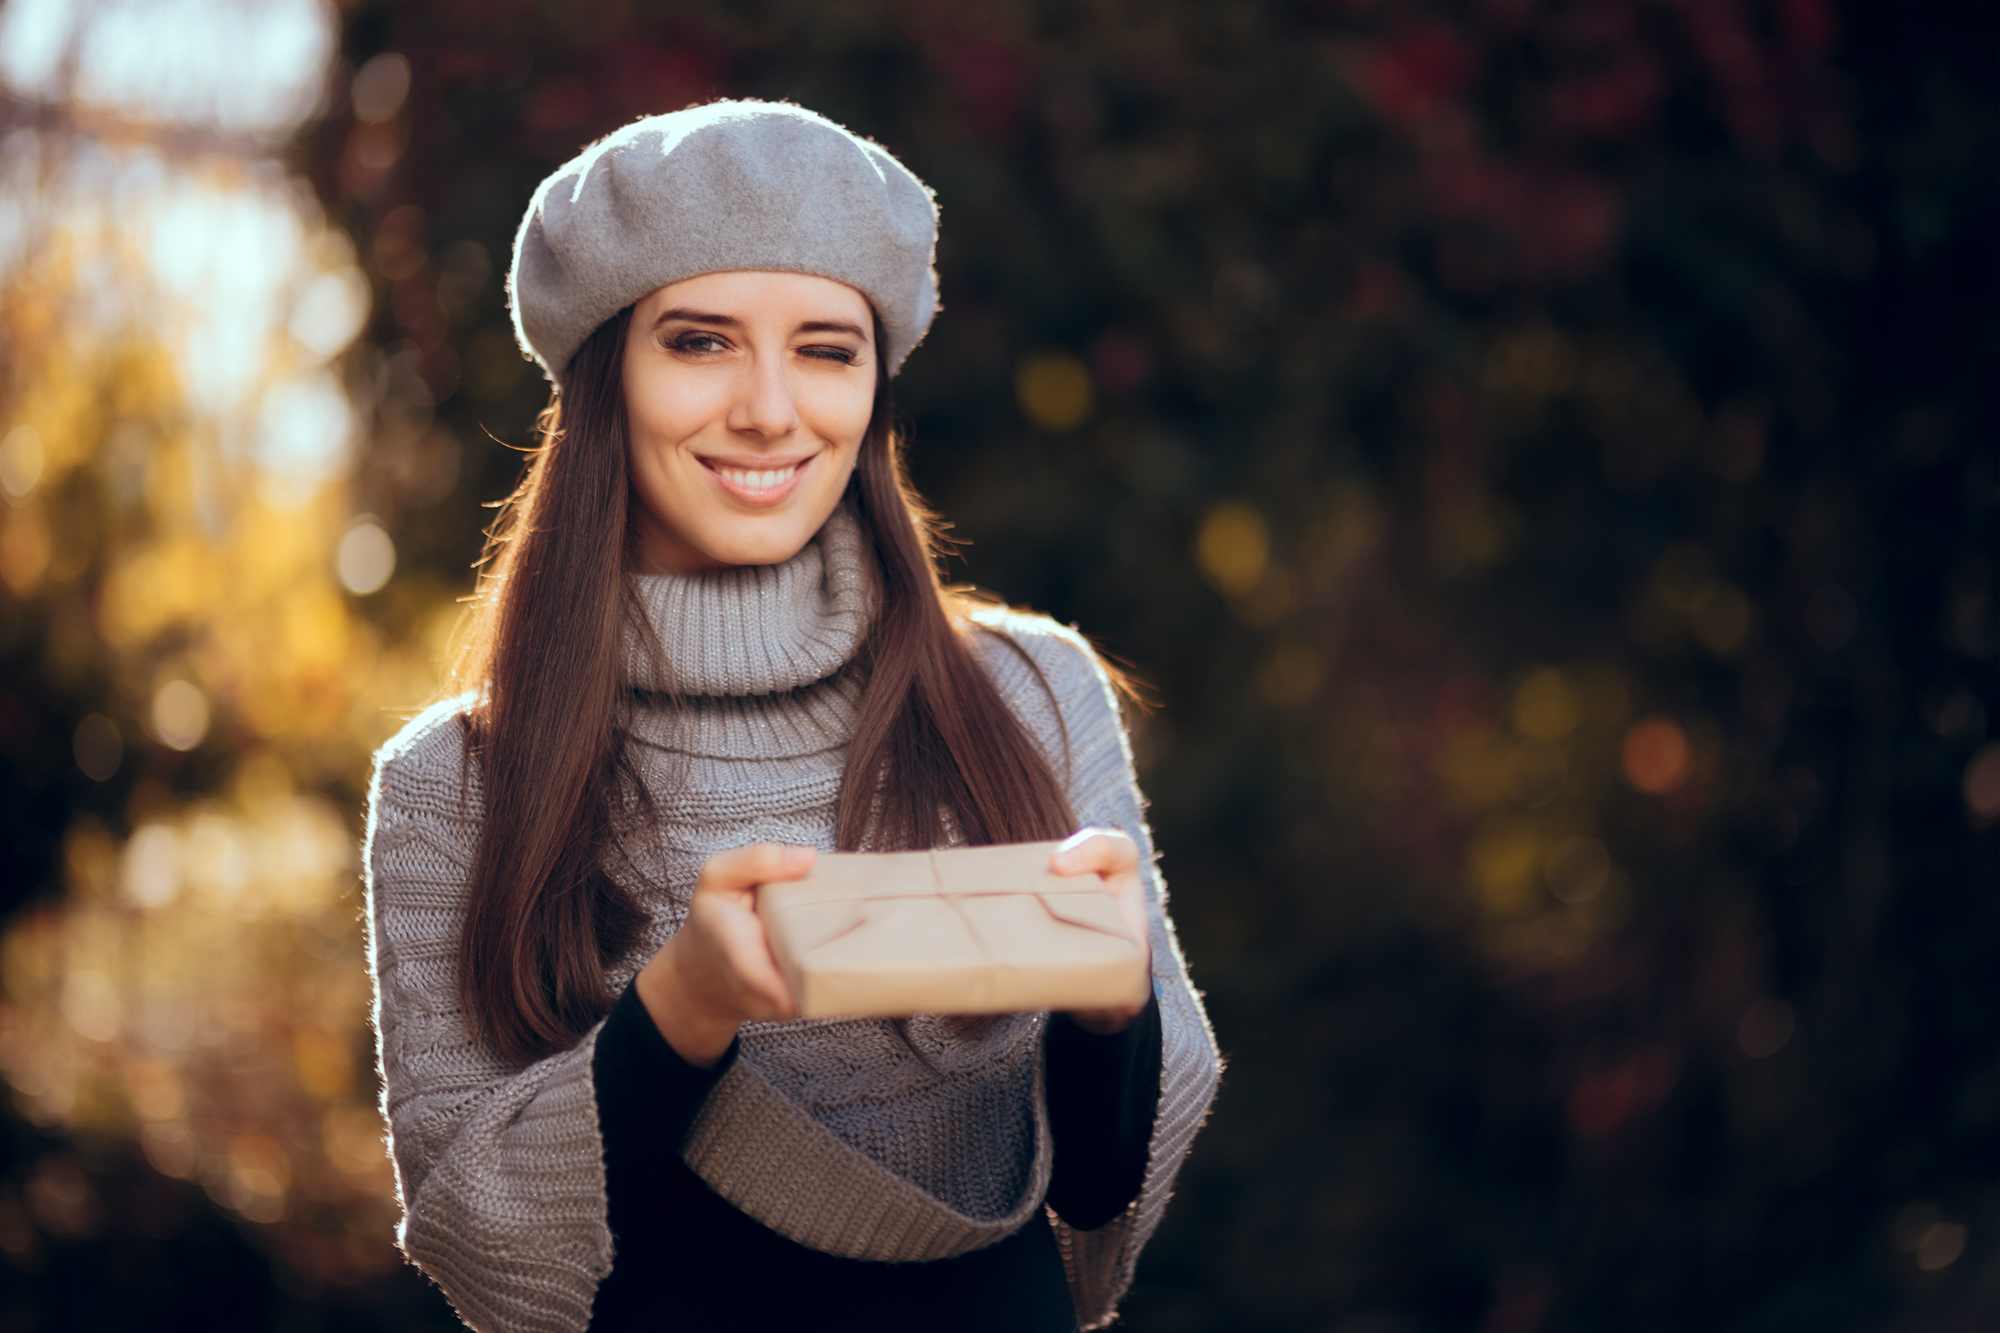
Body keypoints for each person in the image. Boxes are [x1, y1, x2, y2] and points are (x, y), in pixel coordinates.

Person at [364, 101, 1219, 1333]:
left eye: (826, 348)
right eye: (701, 342)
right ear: (606, 375)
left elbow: (1096, 1192)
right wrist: (684, 1010)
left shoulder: (1032, 692)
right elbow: (477, 1237)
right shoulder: (453, 782)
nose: (772, 410)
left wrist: (1111, 994)